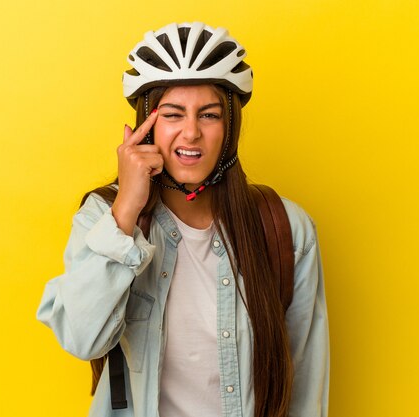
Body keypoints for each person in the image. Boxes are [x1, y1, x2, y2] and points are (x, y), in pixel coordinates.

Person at [37, 22, 329, 417]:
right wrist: (126, 210)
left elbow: (306, 383)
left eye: (208, 115)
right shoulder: (103, 218)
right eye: (173, 115)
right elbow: (81, 337)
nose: (191, 133)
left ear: (229, 127)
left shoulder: (285, 229)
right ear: (147, 125)